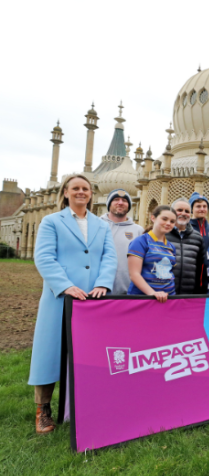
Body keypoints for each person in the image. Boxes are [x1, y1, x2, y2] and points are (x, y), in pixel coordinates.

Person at [29, 174, 117, 434]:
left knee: (87, 353)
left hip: (92, 299)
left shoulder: (101, 226)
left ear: (91, 194)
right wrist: (66, 286)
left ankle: (83, 405)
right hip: (60, 297)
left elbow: (109, 258)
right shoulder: (52, 222)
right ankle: (43, 409)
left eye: (85, 189)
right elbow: (44, 257)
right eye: (75, 188)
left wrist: (103, 284)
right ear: (65, 193)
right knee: (50, 352)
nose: (81, 192)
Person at [127, 205, 177, 302]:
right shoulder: (141, 241)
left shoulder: (171, 246)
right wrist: (152, 293)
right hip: (143, 299)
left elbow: (169, 273)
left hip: (168, 299)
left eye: (172, 221)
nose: (168, 223)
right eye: (164, 219)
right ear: (153, 218)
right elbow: (134, 274)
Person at [100, 189, 144, 295]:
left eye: (124, 200)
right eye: (116, 199)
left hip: (128, 292)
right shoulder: (97, 225)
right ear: (109, 203)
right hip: (98, 291)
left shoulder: (138, 230)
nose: (120, 203)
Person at [166, 198, 207, 294]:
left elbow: (200, 268)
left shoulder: (197, 238)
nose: (183, 213)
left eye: (187, 211)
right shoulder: (162, 234)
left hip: (188, 294)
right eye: (179, 210)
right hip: (164, 293)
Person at [189, 192, 209, 290]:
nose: (202, 209)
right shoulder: (185, 228)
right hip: (189, 280)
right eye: (198, 206)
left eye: (204, 206)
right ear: (191, 209)